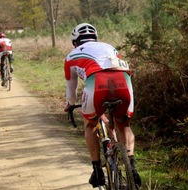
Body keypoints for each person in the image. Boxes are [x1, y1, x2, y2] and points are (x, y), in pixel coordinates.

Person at [64, 23, 141, 188]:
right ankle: (132, 166)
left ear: (75, 41)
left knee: (90, 125)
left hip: (96, 84)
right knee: (124, 125)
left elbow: (71, 92)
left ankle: (97, 169)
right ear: (95, 38)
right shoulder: (110, 47)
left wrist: (70, 106)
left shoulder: (71, 57)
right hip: (123, 82)